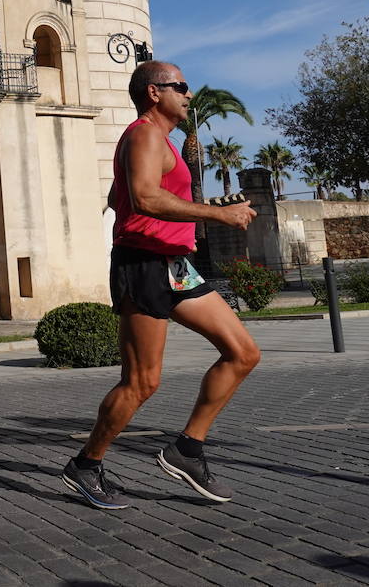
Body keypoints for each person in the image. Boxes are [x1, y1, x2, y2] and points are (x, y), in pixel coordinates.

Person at [63, 61, 260, 510]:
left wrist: (203, 208)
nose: (189, 94)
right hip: (144, 266)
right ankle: (86, 464)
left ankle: (187, 450)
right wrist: (217, 215)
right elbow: (145, 197)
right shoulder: (146, 134)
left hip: (175, 265)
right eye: (181, 87)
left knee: (243, 352)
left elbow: (122, 196)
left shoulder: (159, 142)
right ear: (155, 93)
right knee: (141, 383)